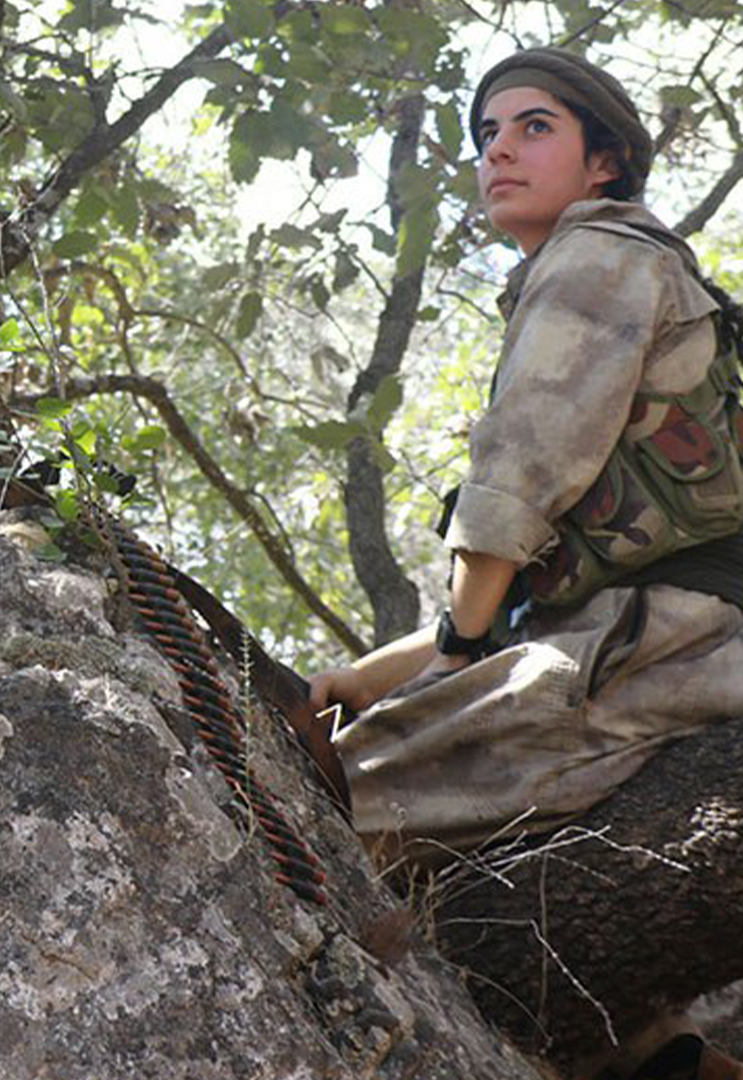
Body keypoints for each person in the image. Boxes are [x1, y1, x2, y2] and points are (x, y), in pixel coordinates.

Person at [307, 48, 743, 1080]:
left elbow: (516, 481)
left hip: (677, 641)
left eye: (534, 126)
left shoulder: (595, 257)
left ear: (605, 161)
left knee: (331, 804)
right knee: (479, 893)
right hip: (656, 634)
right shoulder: (622, 265)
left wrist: (454, 655)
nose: (498, 150)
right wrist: (367, 674)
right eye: (486, 134)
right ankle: (655, 1057)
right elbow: (531, 591)